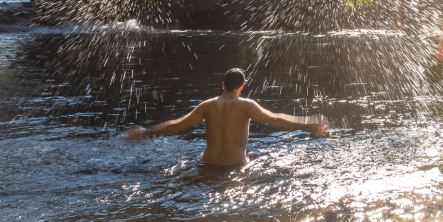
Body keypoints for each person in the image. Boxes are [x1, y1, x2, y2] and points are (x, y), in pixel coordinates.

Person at [125, 68, 328, 166]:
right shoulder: (246, 105)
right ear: (241, 87)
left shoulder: (206, 106)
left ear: (222, 85)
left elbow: (176, 125)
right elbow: (274, 119)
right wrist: (307, 123)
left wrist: (145, 133)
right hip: (234, 167)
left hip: (208, 164)